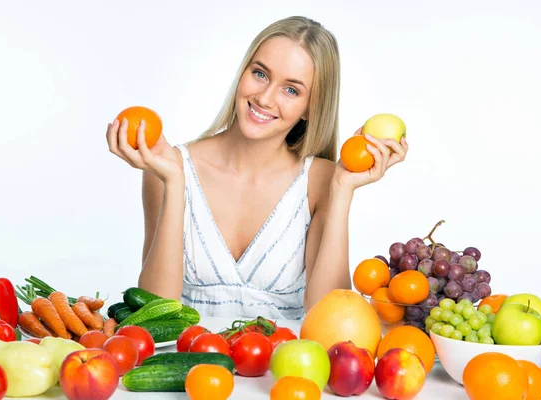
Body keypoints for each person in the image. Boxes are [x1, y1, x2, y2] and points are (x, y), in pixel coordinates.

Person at [106, 16, 408, 320]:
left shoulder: (322, 181)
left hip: (285, 367)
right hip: (192, 364)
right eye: (260, 73)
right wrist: (173, 182)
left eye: (291, 90)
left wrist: (342, 190)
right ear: (243, 73)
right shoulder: (169, 167)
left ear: (311, 108)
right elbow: (153, 315)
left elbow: (330, 320)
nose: (264, 98)